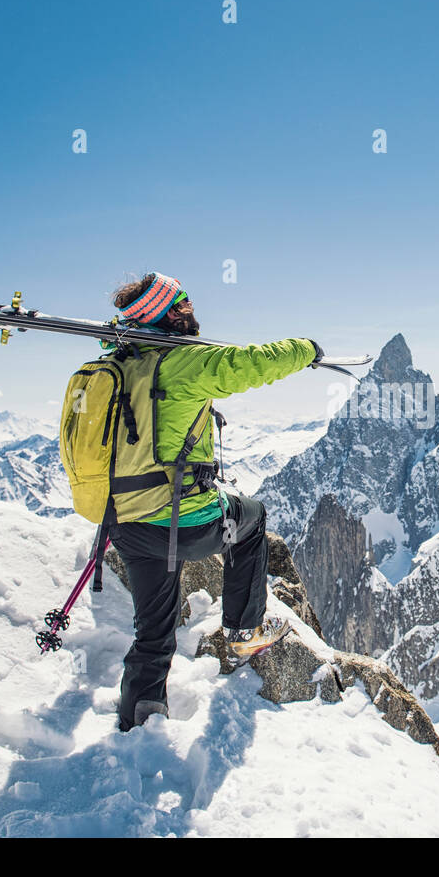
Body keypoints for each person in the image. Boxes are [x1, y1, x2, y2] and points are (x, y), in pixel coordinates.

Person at [104, 272, 323, 732]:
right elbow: (251, 363)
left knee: (153, 631)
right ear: (173, 312)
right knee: (252, 517)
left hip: (127, 522)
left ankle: (139, 720)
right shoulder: (186, 363)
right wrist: (308, 349)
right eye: (184, 303)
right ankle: (244, 632)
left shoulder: (122, 364)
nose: (192, 310)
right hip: (178, 523)